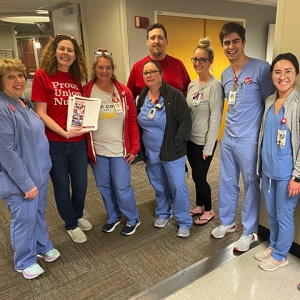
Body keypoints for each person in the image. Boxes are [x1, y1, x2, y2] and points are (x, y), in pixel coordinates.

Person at [210, 22, 275, 252]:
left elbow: (271, 105)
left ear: (244, 42)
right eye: (226, 43)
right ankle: (227, 222)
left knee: (250, 185)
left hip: (249, 139)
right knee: (226, 182)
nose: (231, 46)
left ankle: (249, 231)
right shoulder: (225, 74)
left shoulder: (261, 69)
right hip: (228, 138)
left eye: (235, 41)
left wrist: (266, 139)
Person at [0, 58, 60, 279]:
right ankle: (24, 260)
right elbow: (5, 151)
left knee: (37, 213)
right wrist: (26, 183)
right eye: (10, 76)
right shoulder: (2, 108)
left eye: (20, 75)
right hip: (21, 179)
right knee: (24, 218)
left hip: (40, 173)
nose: (18, 80)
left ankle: (42, 246)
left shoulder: (22, 101)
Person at [31, 34, 92, 243]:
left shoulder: (77, 79)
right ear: (54, 52)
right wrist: (64, 132)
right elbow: (41, 112)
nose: (66, 53)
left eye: (70, 50)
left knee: (81, 185)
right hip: (55, 143)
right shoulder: (42, 75)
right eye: (62, 49)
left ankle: (78, 214)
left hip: (78, 143)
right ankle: (70, 223)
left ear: (75, 56)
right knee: (62, 186)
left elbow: (81, 109)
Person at [83, 49, 141, 235]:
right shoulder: (86, 91)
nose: (104, 71)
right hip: (98, 150)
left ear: (113, 68)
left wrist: (134, 148)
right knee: (104, 186)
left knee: (122, 188)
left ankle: (132, 218)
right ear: (94, 68)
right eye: (100, 67)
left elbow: (132, 120)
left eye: (108, 67)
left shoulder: (123, 92)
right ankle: (113, 216)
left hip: (120, 150)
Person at [137, 60, 192, 238]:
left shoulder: (173, 96)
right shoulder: (143, 95)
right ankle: (163, 212)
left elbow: (185, 122)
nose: (149, 75)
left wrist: (177, 145)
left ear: (161, 74)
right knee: (159, 185)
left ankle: (183, 220)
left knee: (177, 185)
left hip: (171, 151)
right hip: (150, 151)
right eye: (146, 73)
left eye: (153, 72)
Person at [255, 53, 300, 271]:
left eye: (288, 71)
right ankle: (274, 246)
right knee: (271, 213)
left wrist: (297, 177)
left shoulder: (298, 104)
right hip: (269, 171)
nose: (282, 76)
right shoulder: (271, 100)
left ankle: (282, 255)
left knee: (284, 215)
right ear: (272, 75)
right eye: (277, 72)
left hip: (288, 174)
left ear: (296, 74)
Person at [186, 37, 224, 225]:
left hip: (204, 142)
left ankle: (208, 210)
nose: (197, 63)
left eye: (202, 59)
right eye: (195, 59)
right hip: (190, 141)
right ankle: (199, 205)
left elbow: (216, 118)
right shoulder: (192, 85)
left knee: (200, 177)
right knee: (195, 175)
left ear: (210, 61)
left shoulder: (215, 86)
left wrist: (209, 147)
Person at [127, 23, 190, 99]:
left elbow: (189, 93)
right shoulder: (137, 67)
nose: (156, 41)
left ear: (166, 41)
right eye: (152, 38)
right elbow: (129, 99)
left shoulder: (178, 65)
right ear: (147, 42)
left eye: (160, 37)